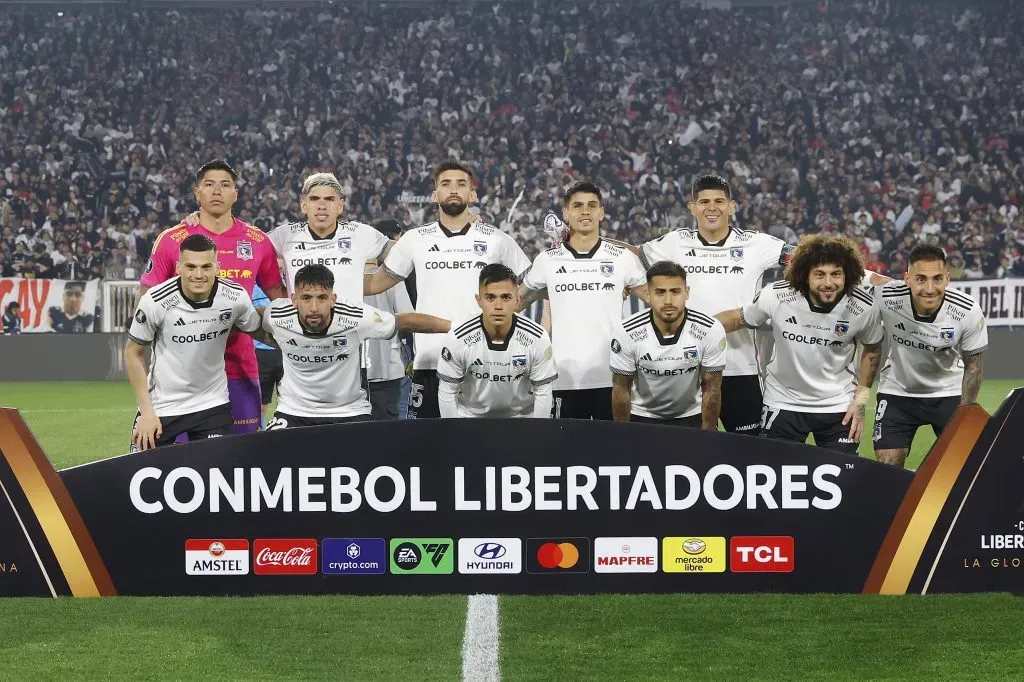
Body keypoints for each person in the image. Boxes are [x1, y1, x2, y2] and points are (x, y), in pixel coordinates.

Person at [364, 160, 531, 419]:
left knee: (482, 447)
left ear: (472, 194)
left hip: (484, 361)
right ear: (434, 195)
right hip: (430, 362)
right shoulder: (415, 239)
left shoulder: (497, 239)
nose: (453, 189)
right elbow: (375, 284)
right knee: (427, 449)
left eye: (461, 184)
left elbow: (532, 283)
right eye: (445, 184)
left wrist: (506, 315)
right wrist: (335, 280)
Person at [636, 174, 792, 433]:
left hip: (741, 369)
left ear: (731, 206)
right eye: (704, 201)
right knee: (690, 453)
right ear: (692, 207)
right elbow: (631, 256)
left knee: (750, 454)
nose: (712, 207)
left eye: (719, 201)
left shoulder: (755, 243)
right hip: (688, 369)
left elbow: (806, 258)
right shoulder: (674, 243)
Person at [139, 159, 286, 435]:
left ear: (236, 194)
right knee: (179, 465)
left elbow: (279, 301)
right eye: (209, 185)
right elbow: (146, 298)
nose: (217, 191)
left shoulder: (257, 242)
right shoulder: (173, 239)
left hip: (240, 369)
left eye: (225, 185)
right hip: (181, 377)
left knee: (239, 463)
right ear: (197, 193)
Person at [717, 234, 883, 454]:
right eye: (820, 274)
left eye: (836, 274)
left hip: (838, 407)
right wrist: (694, 329)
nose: (828, 283)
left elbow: (872, 350)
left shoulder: (863, 307)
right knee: (778, 479)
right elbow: (738, 318)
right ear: (805, 275)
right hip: (783, 403)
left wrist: (860, 402)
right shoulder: (776, 296)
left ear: (847, 275)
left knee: (844, 480)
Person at [262, 264, 451, 429]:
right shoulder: (277, 315)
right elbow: (248, 323)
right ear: (294, 299)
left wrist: (454, 327)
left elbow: (404, 322)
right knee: (267, 460)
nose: (313, 307)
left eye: (321, 298)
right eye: (306, 298)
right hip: (293, 412)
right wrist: (280, 343)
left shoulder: (355, 317)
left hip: (349, 411)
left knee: (371, 462)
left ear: (333, 299)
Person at [520, 181, 647, 420]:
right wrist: (545, 292)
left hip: (613, 378)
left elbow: (657, 297)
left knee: (613, 455)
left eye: (592, 205)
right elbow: (513, 302)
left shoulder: (622, 259)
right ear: (566, 213)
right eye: (578, 206)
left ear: (601, 212)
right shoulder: (547, 260)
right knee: (565, 456)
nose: (586, 211)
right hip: (562, 379)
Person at [126, 234, 262, 451]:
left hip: (212, 404)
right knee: (141, 474)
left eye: (206, 267)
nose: (198, 275)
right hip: (163, 406)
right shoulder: (155, 301)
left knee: (218, 475)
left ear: (217, 267)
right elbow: (133, 353)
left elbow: (259, 330)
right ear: (178, 267)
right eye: (191, 267)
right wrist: (147, 412)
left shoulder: (235, 297)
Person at [872, 245, 989, 467]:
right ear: (907, 278)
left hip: (949, 394)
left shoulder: (967, 310)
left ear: (947, 278)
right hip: (897, 392)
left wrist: (964, 413)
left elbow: (974, 366)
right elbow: (856, 276)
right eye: (921, 279)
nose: (929, 288)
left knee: (960, 469)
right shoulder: (887, 296)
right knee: (887, 469)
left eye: (937, 279)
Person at [610, 261, 725, 428]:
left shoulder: (709, 329)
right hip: (642, 417)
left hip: (691, 416)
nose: (668, 300)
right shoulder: (626, 332)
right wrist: (623, 434)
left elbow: (712, 389)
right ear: (647, 294)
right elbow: (621, 388)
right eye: (660, 292)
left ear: (687, 293)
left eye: (675, 291)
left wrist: (707, 436)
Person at [437, 264, 557, 418]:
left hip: (522, 420)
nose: (498, 306)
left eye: (506, 297)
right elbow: (447, 392)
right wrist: (453, 434)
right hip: (471, 419)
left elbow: (543, 394)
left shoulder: (537, 338)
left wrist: (539, 436)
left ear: (518, 300)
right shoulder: (458, 339)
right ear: (479, 300)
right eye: (490, 298)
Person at [267, 172, 392, 298]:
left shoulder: (361, 234)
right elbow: (252, 247)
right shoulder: (284, 235)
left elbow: (402, 253)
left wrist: (362, 285)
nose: (322, 206)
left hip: (350, 317)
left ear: (340, 206)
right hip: (299, 318)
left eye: (329, 199)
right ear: (303, 206)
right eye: (314, 199)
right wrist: (280, 296)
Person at [364, 218, 414, 420]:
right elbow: (407, 316)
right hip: (387, 366)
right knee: (388, 428)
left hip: (352, 370)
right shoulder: (392, 278)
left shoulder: (344, 277)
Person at [251, 284, 283, 426]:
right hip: (261, 354)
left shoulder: (287, 287)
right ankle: (261, 434)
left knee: (286, 399)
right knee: (262, 402)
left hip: (285, 352)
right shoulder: (253, 289)